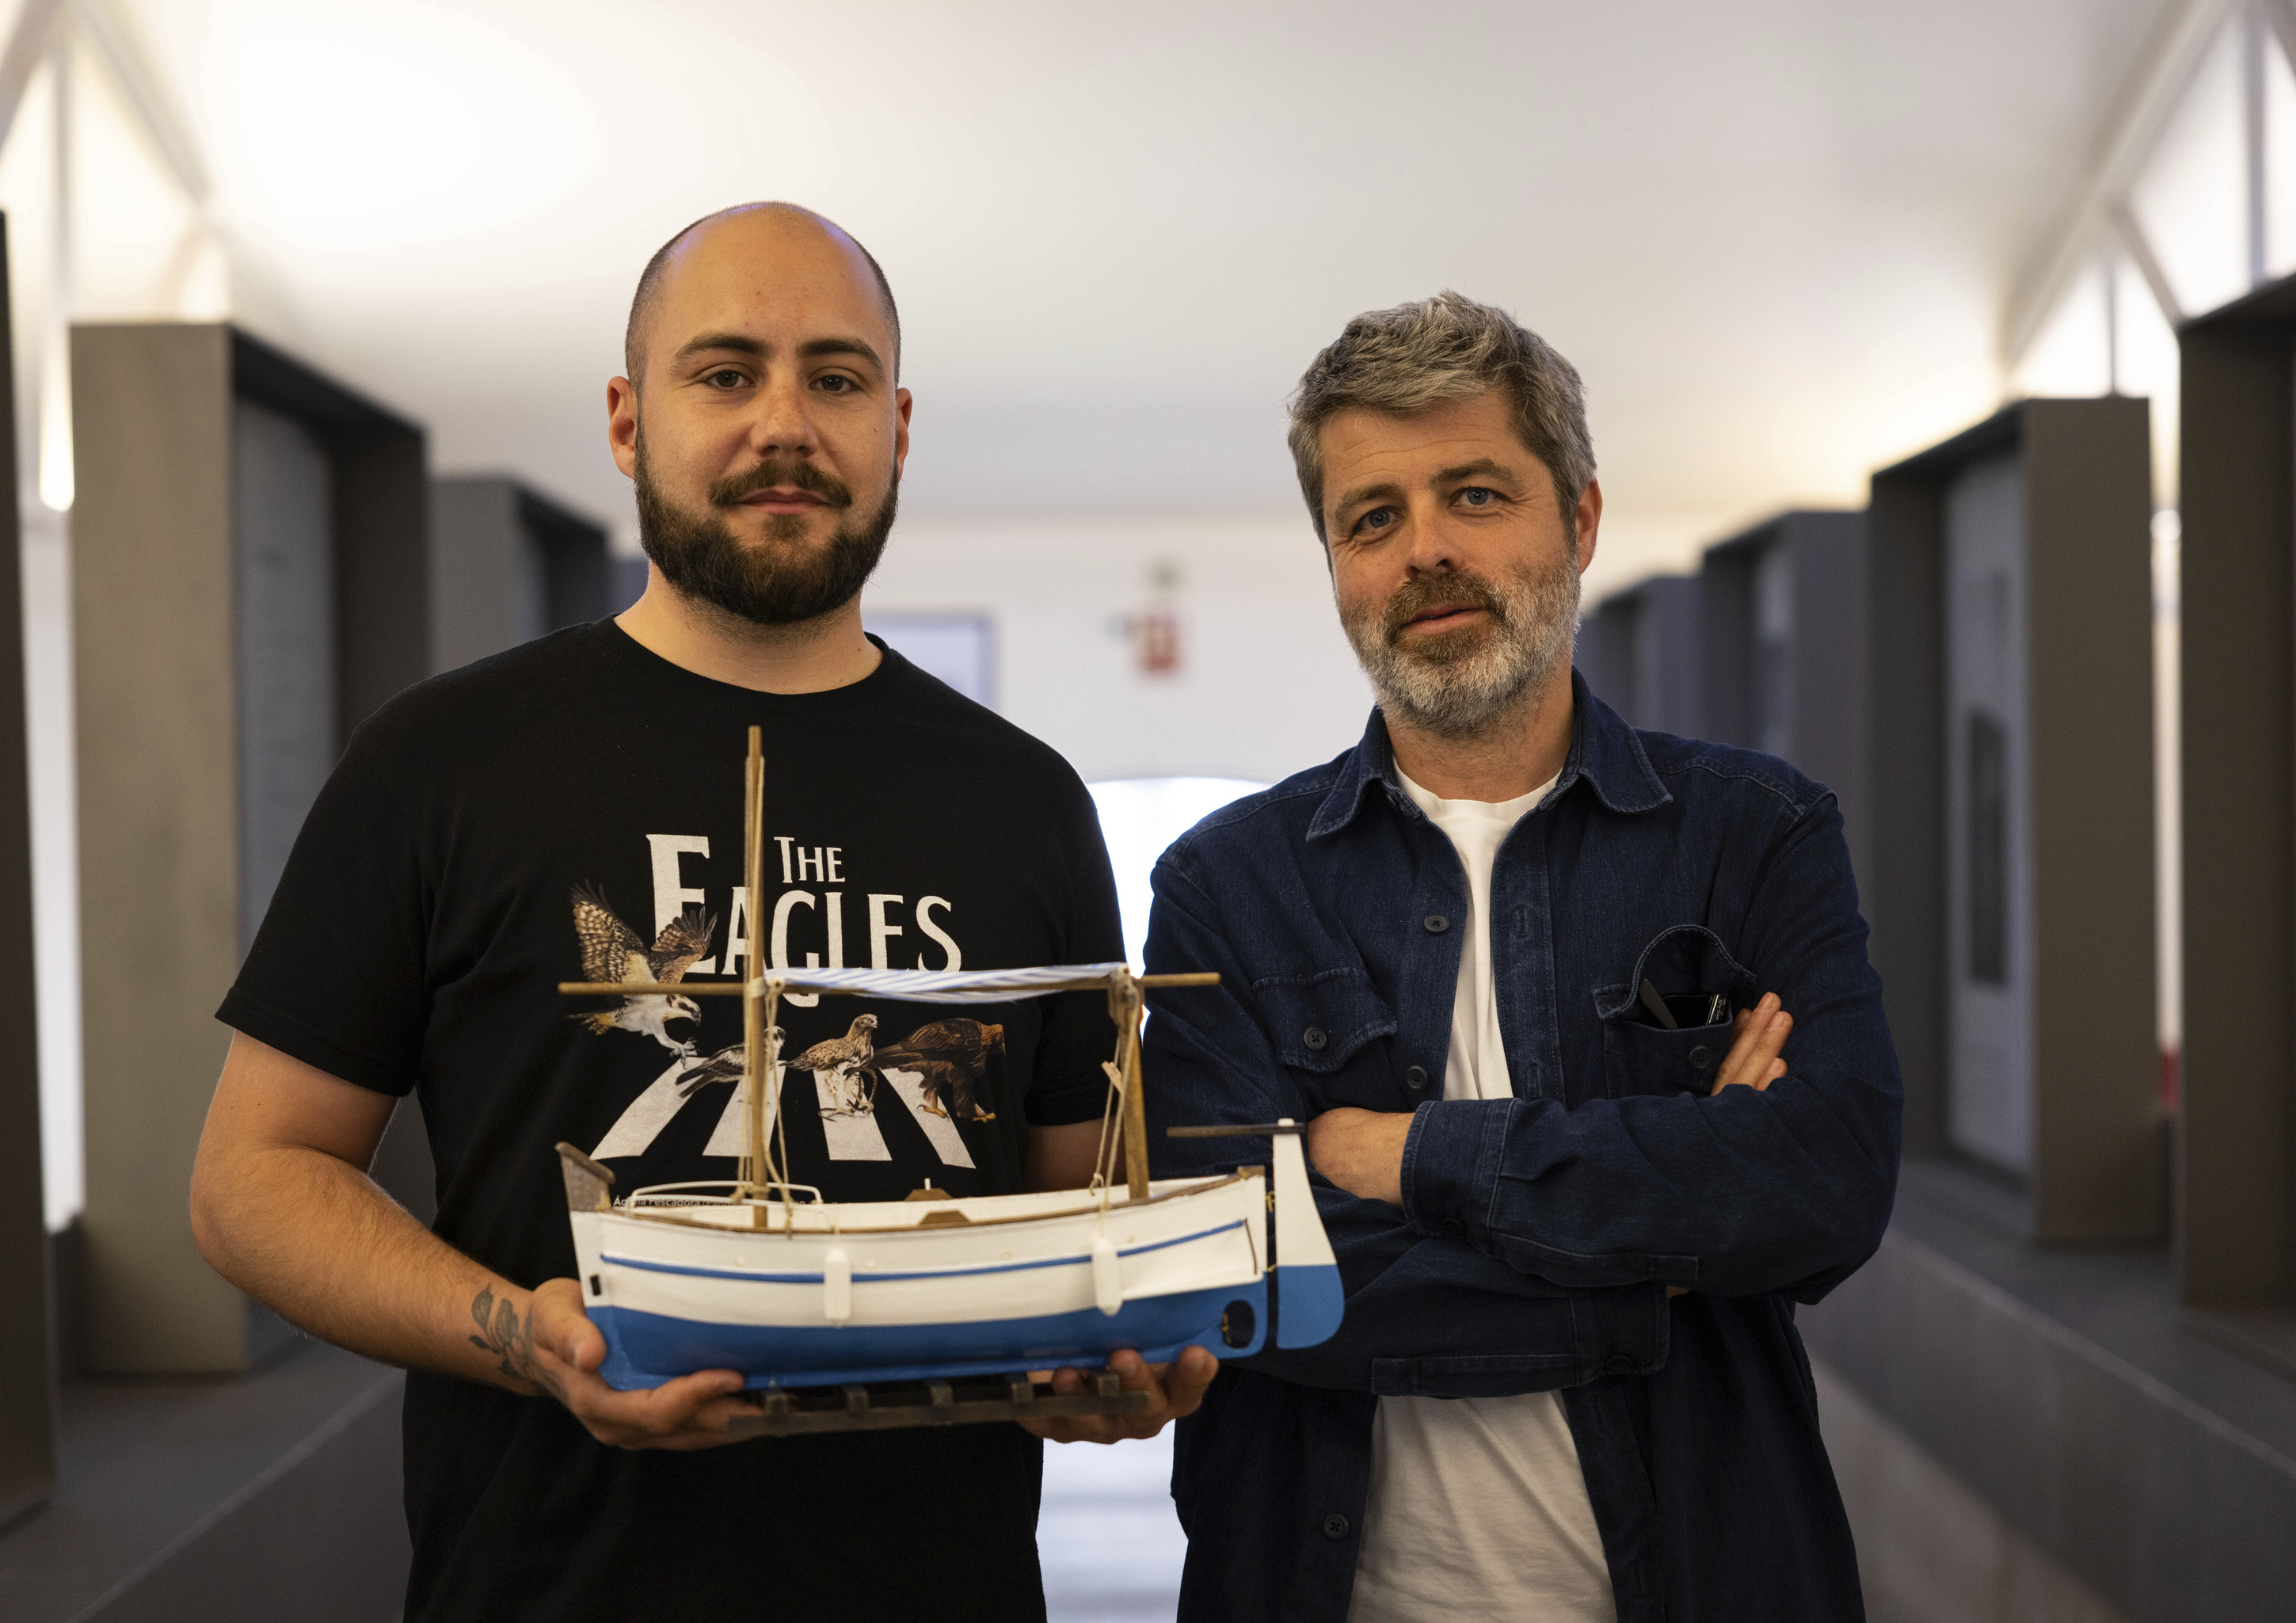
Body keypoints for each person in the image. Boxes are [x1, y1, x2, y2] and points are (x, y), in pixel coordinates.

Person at [189, 201, 1215, 1622]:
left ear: (897, 426)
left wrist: (1108, 1353)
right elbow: (252, 1180)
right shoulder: (442, 761)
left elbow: (1071, 1214)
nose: (784, 424)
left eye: (837, 378)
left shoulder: (1026, 800)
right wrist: (523, 1336)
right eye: (726, 373)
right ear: (628, 421)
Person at [1144, 291, 1898, 1621]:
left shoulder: (1754, 834)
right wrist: (1658, 1256)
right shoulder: (1228, 887)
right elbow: (1236, 1272)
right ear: (1336, 565)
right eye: (1372, 518)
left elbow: (1825, 1182)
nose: (1425, 550)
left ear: (1581, 521)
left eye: (1476, 495)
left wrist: (1405, 1155)